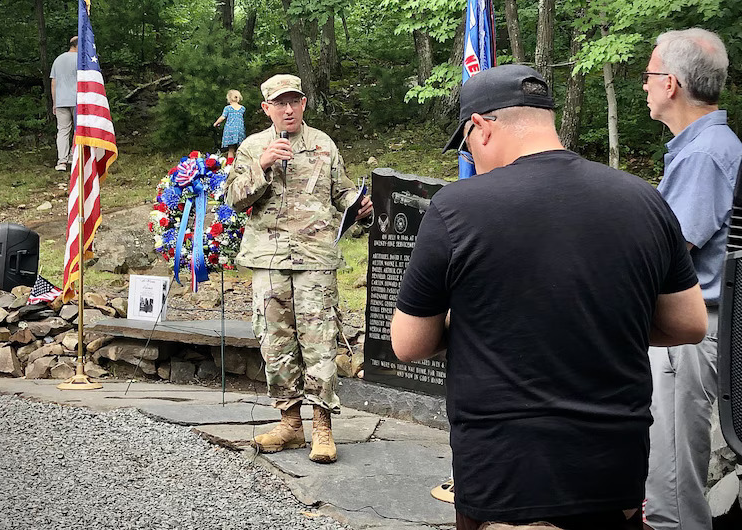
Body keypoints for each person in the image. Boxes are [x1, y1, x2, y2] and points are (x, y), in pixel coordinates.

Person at [390, 64, 708, 530]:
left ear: (480, 126)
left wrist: (480, 322)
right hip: (613, 466)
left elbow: (409, 343)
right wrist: (599, 320)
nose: (470, 156)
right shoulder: (644, 199)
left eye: (465, 144)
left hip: (503, 469)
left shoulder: (457, 208)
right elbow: (689, 323)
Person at [224, 73, 372, 464]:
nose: (288, 109)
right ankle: (290, 424)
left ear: (304, 103)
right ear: (266, 108)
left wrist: (360, 206)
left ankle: (323, 427)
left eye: (294, 101)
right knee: (275, 344)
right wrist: (262, 164)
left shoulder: (324, 144)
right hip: (268, 259)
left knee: (320, 343)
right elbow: (234, 200)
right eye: (280, 103)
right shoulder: (252, 147)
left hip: (315, 259)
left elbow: (342, 192)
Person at [642, 28, 742, 530]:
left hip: (689, 329)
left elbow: (668, 252)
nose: (644, 85)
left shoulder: (704, 155)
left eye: (649, 75)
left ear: (672, 83)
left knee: (673, 481)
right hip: (695, 325)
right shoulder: (706, 146)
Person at [50, 36, 78, 171]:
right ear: (78, 46)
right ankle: (74, 156)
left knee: (62, 131)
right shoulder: (81, 59)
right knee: (78, 130)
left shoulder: (58, 59)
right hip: (78, 100)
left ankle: (61, 161)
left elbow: (53, 83)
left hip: (61, 100)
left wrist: (54, 102)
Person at [214, 89, 246, 160]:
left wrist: (216, 123)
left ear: (229, 98)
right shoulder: (242, 108)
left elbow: (223, 117)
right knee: (240, 149)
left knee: (231, 149)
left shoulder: (227, 108)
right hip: (240, 130)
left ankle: (230, 163)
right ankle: (240, 162)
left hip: (230, 130)